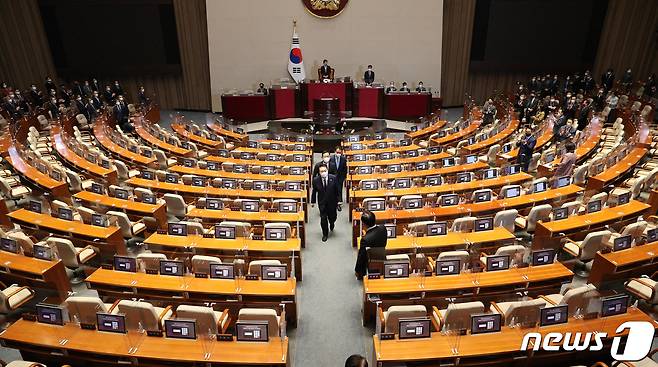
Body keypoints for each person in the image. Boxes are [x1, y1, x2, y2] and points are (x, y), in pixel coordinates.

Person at [354, 210, 387, 279]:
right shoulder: (383, 228)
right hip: (383, 254)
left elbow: (361, 257)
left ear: (364, 224)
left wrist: (357, 270)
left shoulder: (365, 239)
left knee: (363, 254)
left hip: (371, 258)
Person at [311, 164, 340, 242]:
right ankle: (325, 234)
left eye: (324, 171)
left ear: (327, 170)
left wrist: (339, 201)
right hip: (322, 202)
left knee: (332, 217)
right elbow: (314, 191)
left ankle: (332, 223)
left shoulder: (333, 178)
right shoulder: (316, 180)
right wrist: (313, 201)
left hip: (332, 202)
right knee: (323, 219)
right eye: (321, 171)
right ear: (319, 172)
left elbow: (337, 190)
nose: (323, 172)